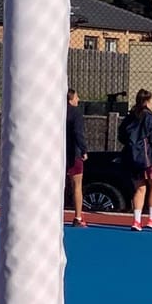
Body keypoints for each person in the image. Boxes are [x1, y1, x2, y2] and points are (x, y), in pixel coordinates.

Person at [118, 88, 152, 232]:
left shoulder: (130, 118)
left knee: (139, 188)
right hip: (149, 159)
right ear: (147, 101)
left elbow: (122, 136)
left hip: (133, 159)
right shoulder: (151, 119)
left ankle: (136, 221)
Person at [65, 88, 89, 226]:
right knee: (77, 186)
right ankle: (78, 217)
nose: (78, 100)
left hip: (59, 152)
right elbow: (78, 132)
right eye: (76, 97)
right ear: (71, 99)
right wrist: (83, 149)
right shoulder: (76, 113)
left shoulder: (56, 112)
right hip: (74, 153)